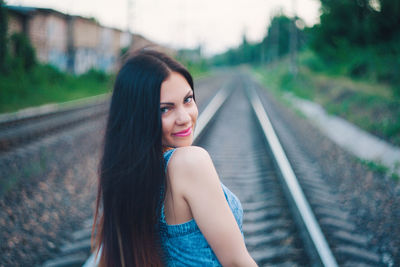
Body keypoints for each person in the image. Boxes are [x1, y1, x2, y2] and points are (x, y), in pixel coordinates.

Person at [92, 49, 257, 267]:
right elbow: (237, 262)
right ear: (138, 117)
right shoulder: (189, 162)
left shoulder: (126, 178)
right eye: (165, 110)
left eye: (188, 100)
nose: (184, 118)